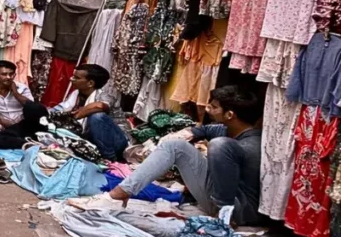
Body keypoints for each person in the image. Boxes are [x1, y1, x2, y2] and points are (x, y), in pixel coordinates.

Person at [110, 85, 263, 224]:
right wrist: (188, 133)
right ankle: (122, 191)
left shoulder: (251, 145)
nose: (208, 109)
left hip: (239, 211)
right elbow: (203, 130)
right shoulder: (229, 130)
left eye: (214, 107)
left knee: (216, 145)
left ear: (230, 115)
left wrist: (225, 211)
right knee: (174, 144)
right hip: (224, 201)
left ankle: (224, 216)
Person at [53, 64, 128, 161]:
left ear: (90, 83)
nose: (71, 79)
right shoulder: (76, 94)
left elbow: (99, 106)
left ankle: (110, 159)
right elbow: (59, 109)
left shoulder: (105, 96)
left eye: (76, 78)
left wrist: (75, 116)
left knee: (97, 116)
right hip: (94, 139)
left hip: (118, 142)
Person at [0, 60, 34, 128]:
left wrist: (16, 93)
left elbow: (32, 107)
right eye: (4, 74)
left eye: (11, 74)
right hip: (1, 125)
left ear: (15, 75)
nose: (8, 77)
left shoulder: (22, 88)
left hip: (24, 125)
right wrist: (2, 123)